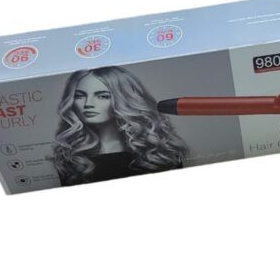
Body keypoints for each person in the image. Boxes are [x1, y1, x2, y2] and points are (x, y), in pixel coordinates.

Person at [52, 66, 187, 186]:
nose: (88, 104)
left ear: (123, 99)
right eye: (80, 96)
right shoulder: (69, 155)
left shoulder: (157, 148)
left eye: (103, 96)